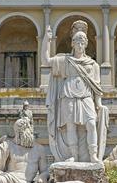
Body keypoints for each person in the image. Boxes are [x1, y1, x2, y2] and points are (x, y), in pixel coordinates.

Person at [42, 20, 108, 163]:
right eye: (76, 41)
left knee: (91, 123)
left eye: (82, 42)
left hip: (85, 95)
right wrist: (46, 40)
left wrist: (99, 103)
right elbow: (46, 61)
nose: (79, 44)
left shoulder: (93, 65)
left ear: (86, 44)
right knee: (70, 126)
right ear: (72, 43)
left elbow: (96, 87)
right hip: (68, 94)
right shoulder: (65, 60)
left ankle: (93, 155)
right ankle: (74, 156)